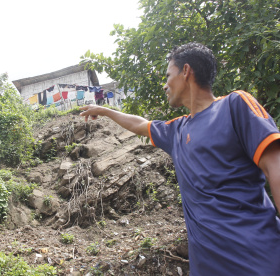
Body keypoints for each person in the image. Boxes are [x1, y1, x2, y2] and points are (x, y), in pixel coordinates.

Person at [79, 42, 280, 275]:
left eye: (168, 75)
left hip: (259, 260)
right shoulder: (177, 130)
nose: (165, 85)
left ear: (186, 71)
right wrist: (104, 111)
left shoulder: (235, 105)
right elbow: (140, 124)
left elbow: (275, 167)